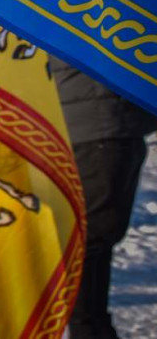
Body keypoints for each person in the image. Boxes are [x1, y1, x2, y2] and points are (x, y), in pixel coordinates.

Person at [51, 57, 156, 339]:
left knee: (96, 236)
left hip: (108, 120)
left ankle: (91, 325)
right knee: (91, 237)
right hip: (96, 121)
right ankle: (88, 327)